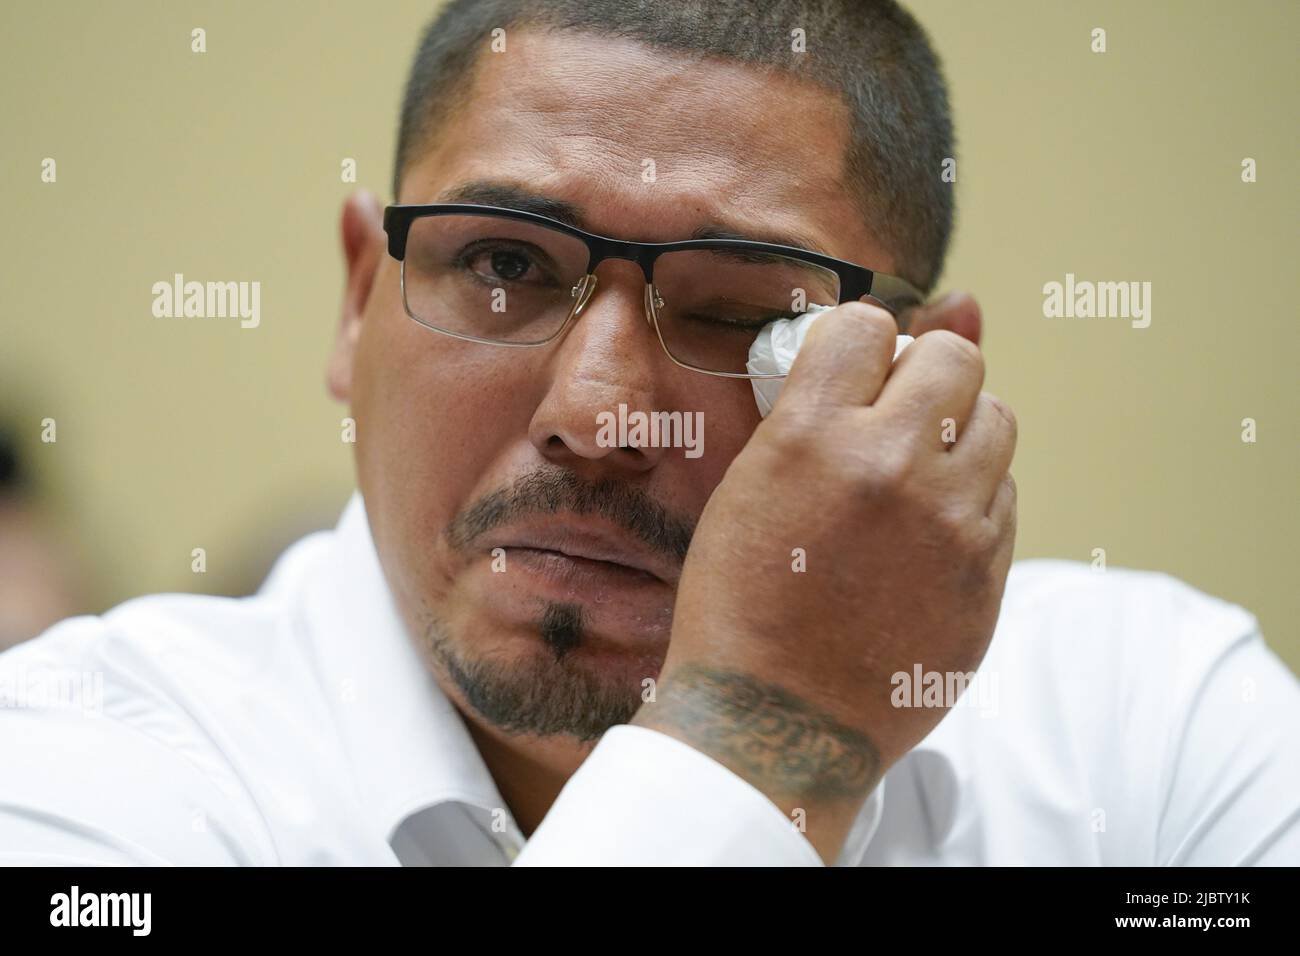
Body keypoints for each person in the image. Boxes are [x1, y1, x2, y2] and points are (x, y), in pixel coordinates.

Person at [2, 0, 1296, 866]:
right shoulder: (81, 768)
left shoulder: (1152, 730)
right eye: (504, 265)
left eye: (738, 313)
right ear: (358, 301)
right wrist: (763, 736)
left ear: (922, 382)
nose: (596, 415)